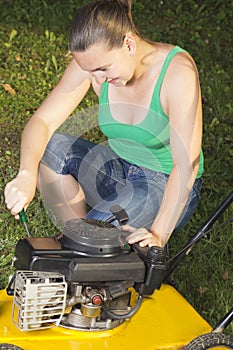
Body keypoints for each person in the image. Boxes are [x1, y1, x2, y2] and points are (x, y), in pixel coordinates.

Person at [4, 0, 204, 249]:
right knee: (49, 149)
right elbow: (42, 122)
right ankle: (79, 239)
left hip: (163, 183)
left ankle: (88, 243)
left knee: (94, 237)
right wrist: (26, 173)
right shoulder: (94, 63)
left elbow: (186, 164)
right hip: (118, 166)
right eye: (90, 71)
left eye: (103, 68)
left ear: (129, 44)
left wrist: (159, 234)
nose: (97, 79)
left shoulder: (177, 71)